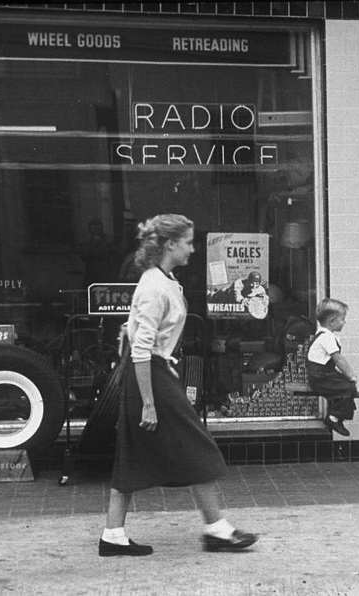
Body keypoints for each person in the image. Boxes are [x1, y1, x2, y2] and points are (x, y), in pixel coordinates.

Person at [100, 213, 257, 556]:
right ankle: (216, 529)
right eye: (187, 242)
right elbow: (141, 349)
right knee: (198, 446)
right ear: (170, 244)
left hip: (153, 372)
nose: (193, 249)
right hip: (149, 375)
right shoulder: (155, 287)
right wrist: (149, 403)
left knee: (133, 455)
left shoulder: (162, 280)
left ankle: (113, 535)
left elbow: (135, 335)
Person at [306, 298, 357, 436]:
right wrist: (351, 375)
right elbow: (338, 359)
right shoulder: (326, 338)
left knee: (347, 387)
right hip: (320, 377)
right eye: (342, 319)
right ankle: (333, 417)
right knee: (348, 387)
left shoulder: (324, 334)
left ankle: (337, 416)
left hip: (323, 374)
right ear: (332, 321)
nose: (344, 322)